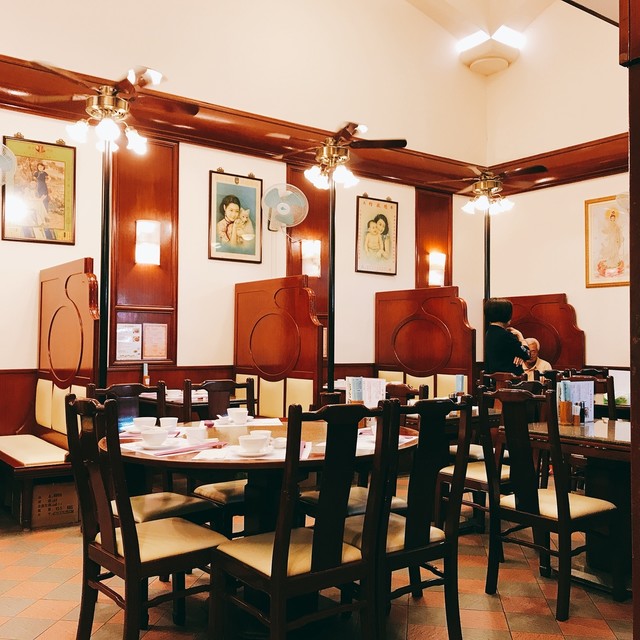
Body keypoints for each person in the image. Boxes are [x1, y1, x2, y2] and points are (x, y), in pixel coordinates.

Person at [484, 298, 530, 375]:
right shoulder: (506, 335)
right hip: (510, 379)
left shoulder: (489, 333)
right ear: (506, 315)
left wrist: (519, 355)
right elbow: (527, 354)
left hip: (494, 378)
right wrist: (521, 337)